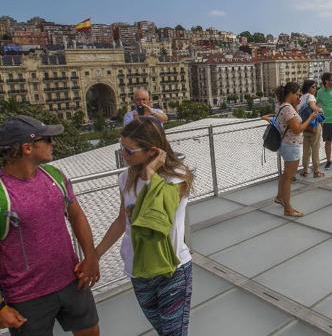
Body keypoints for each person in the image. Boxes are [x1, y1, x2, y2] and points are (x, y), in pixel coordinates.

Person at [0, 115, 100, 336]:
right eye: (47, 139)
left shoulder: (55, 176)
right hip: (27, 298)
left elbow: (77, 216)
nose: (52, 144)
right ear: (27, 148)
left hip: (72, 282)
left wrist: (91, 257)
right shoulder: (2, 193)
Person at [95, 117, 194, 336]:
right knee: (163, 330)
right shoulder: (125, 179)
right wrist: (96, 254)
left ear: (153, 151)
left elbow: (156, 219)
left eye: (129, 150)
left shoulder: (176, 179)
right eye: (122, 147)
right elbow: (123, 220)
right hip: (138, 270)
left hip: (173, 270)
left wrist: (150, 175)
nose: (123, 154)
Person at [262, 83, 318, 217]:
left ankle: (280, 198)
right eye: (298, 94)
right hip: (291, 146)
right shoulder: (288, 109)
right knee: (288, 178)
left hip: (285, 144)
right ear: (290, 94)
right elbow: (297, 129)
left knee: (285, 174)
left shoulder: (283, 106)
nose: (300, 97)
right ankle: (288, 209)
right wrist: (310, 118)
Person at [298, 80, 324, 178]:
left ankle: (305, 170)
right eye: (313, 87)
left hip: (305, 125)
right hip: (313, 125)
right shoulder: (310, 96)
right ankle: (316, 171)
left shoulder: (301, 98)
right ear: (308, 88)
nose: (315, 88)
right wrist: (321, 110)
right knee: (315, 149)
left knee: (306, 150)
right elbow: (313, 107)